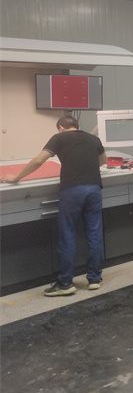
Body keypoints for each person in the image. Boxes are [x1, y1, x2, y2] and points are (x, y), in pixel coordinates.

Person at [1, 115, 107, 296]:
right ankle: (94, 279)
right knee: (95, 234)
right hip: (94, 189)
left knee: (68, 235)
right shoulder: (93, 138)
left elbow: (39, 160)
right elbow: (103, 161)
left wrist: (17, 177)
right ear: (76, 126)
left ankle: (66, 283)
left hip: (72, 190)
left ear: (61, 127)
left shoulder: (59, 138)